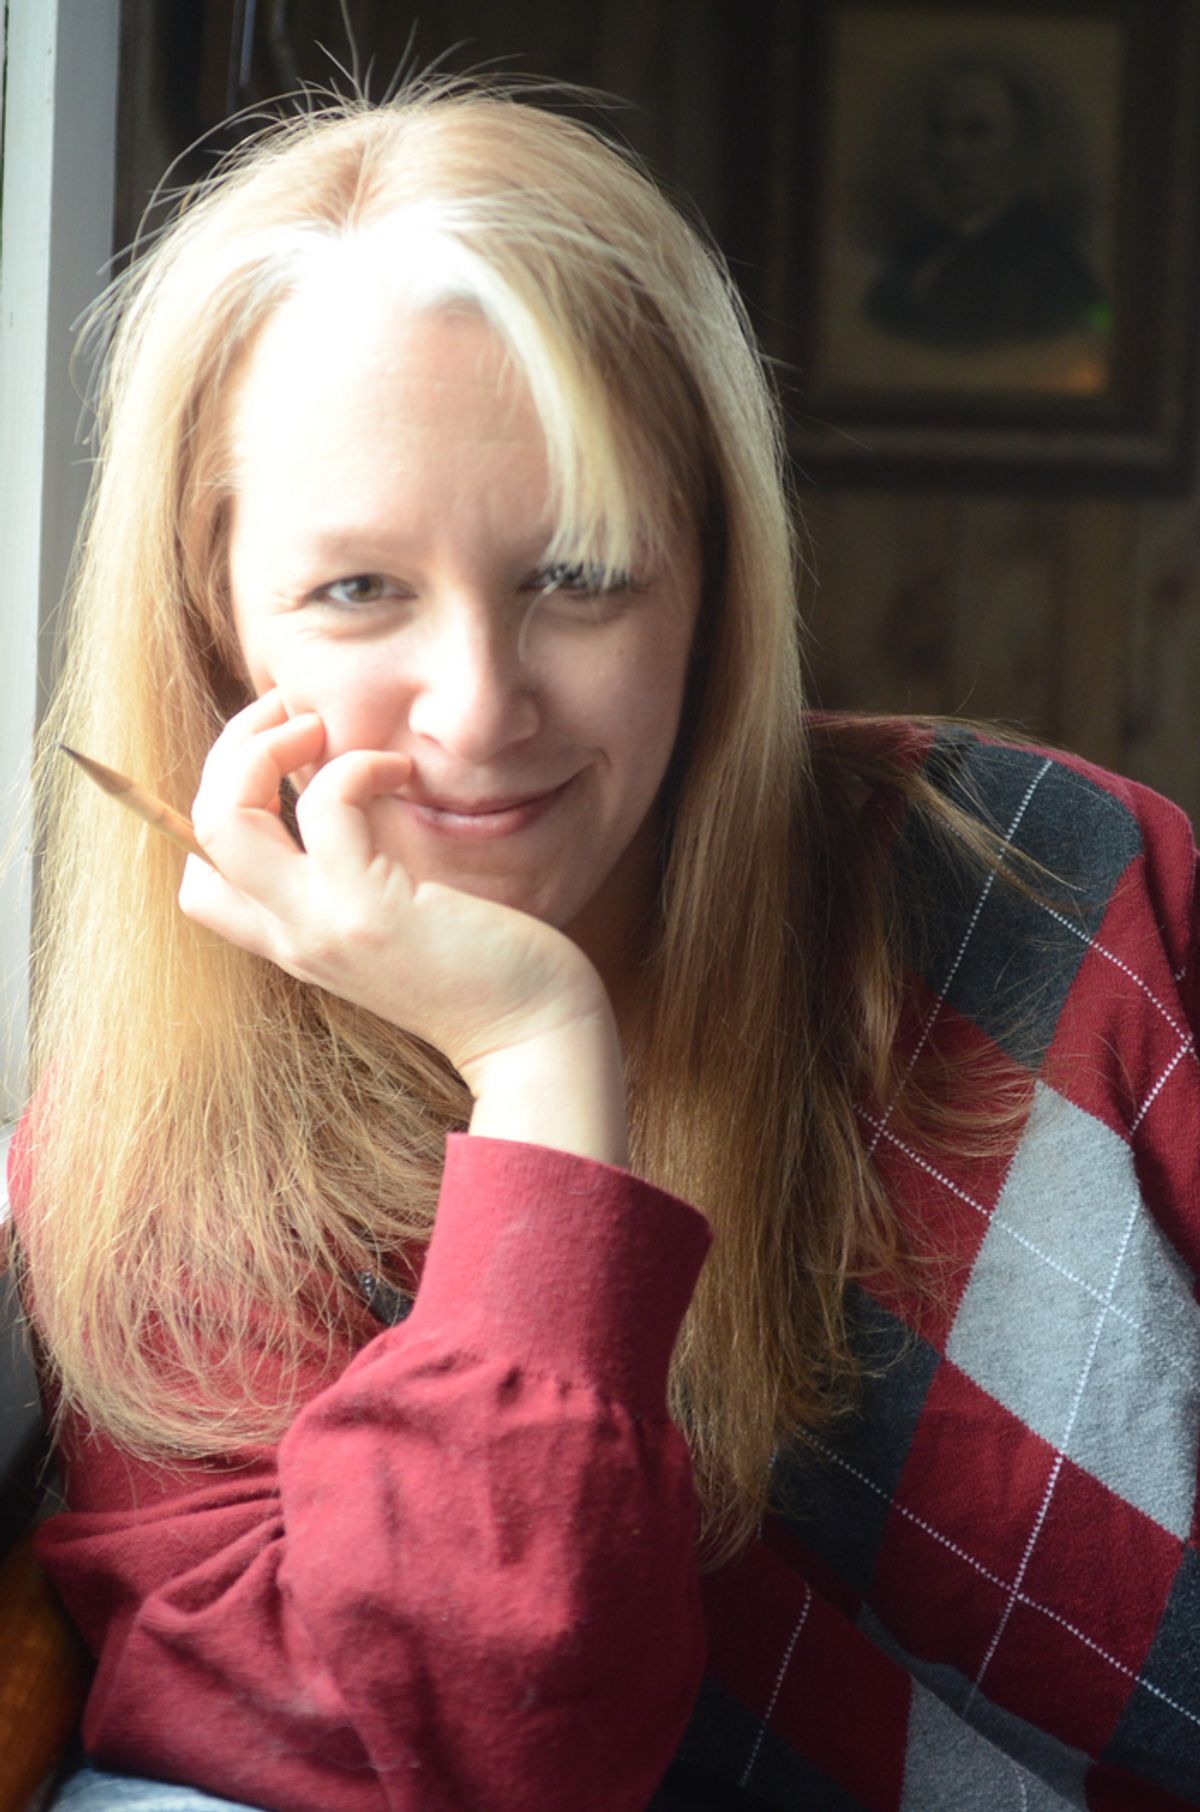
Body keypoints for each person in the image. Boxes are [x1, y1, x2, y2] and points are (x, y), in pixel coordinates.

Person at [5, 82, 1198, 1812]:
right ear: (216, 605)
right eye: (359, 592)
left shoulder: (1063, 880)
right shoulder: (172, 1183)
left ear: (708, 571)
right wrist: (539, 1065)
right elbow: (487, 1762)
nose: (482, 707)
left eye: (579, 575)